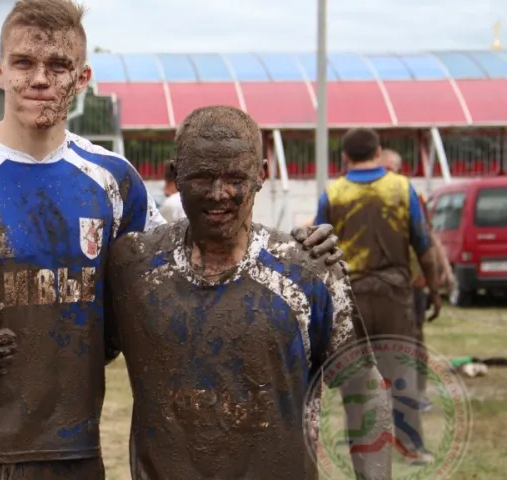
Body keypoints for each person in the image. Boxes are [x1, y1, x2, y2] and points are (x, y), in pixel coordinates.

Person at [0, 1, 343, 478]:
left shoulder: (113, 180)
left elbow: (185, 264)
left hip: (72, 456)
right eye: (24, 63)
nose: (40, 79)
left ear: (83, 78)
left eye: (59, 66)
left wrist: (300, 249)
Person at [105, 105, 391, 480]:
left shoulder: (308, 274)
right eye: (202, 177)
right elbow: (81, 354)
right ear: (176, 175)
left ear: (261, 175)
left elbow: (364, 389)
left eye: (235, 177)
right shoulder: (133, 269)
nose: (219, 193)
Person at [314, 129, 443, 465]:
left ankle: (362, 443)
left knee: (356, 375)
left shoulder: (333, 192)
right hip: (394, 294)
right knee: (401, 369)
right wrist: (434, 289)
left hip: (350, 295)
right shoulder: (401, 188)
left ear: (345, 157)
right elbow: (423, 245)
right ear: (379, 151)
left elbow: (315, 249)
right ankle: (412, 446)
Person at [380, 148, 454, 411]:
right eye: (383, 170)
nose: (386, 176)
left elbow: (427, 238)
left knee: (413, 339)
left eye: (390, 171)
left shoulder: (410, 195)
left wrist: (444, 271)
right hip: (382, 284)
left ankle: (416, 394)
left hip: (412, 282)